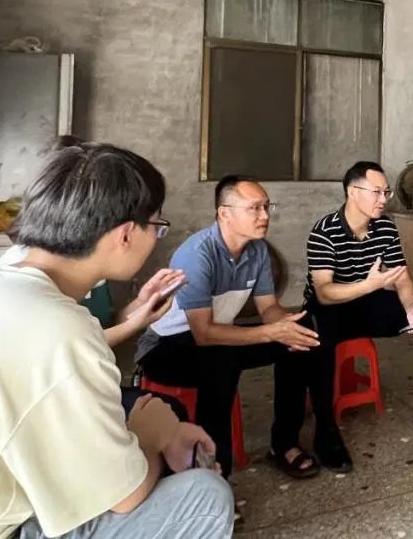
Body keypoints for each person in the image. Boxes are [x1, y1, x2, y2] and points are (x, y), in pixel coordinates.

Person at [0, 141, 233, 539]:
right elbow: (125, 497)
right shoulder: (58, 328)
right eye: (157, 226)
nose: (157, 237)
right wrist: (153, 436)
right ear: (126, 235)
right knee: (205, 497)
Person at [136, 175, 321, 480]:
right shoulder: (197, 254)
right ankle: (214, 474)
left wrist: (285, 326)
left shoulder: (257, 251)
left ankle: (284, 444)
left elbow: (268, 308)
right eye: (254, 208)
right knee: (220, 361)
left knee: (300, 339)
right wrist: (269, 332)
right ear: (225, 213)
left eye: (266, 207)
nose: (264, 216)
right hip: (165, 348)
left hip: (217, 337)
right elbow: (203, 333)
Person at [305, 161, 413, 473]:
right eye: (376, 192)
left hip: (367, 303)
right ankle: (325, 428)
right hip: (331, 308)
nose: (383, 199)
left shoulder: (385, 226)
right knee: (317, 333)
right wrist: (369, 285)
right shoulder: (324, 231)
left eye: (386, 192)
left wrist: (410, 311)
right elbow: (324, 292)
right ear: (352, 192)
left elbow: (402, 278)